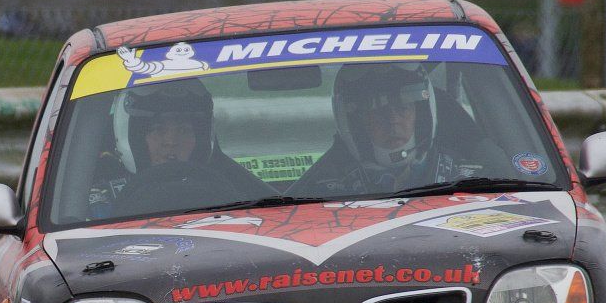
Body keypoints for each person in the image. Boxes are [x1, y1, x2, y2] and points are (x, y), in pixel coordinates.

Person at [292, 62, 509, 197]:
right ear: (357, 124)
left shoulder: (475, 182)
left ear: (421, 116)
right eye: (378, 111)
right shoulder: (323, 193)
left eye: (403, 108)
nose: (393, 120)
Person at [110, 79, 270, 217]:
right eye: (158, 129)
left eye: (183, 130)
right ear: (136, 139)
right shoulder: (98, 196)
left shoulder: (227, 191)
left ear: (200, 140)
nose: (171, 142)